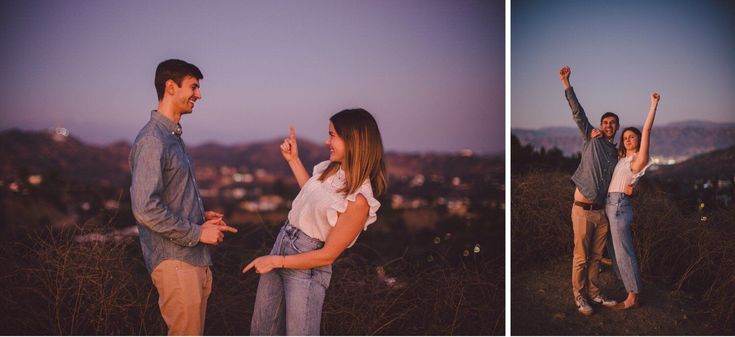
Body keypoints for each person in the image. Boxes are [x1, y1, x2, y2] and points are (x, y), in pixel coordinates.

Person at [243, 108, 387, 335]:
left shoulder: (359, 199)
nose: (327, 141)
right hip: (283, 244)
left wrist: (275, 261)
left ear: (354, 141)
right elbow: (314, 199)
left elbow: (327, 255)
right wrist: (293, 160)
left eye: (333, 135)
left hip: (307, 266)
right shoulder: (332, 170)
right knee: (262, 331)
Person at [129, 59, 238, 335]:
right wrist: (198, 232)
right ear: (170, 87)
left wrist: (201, 218)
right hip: (176, 263)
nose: (198, 95)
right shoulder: (153, 140)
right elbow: (144, 208)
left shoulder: (173, 138)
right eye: (193, 87)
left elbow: (168, 199)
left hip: (193, 260)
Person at [559, 65, 619, 316]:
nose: (607, 125)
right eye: (605, 122)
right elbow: (578, 113)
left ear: (616, 127)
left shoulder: (616, 153)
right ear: (600, 125)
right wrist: (566, 83)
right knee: (581, 258)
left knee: (596, 258)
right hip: (583, 210)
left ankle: (594, 294)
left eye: (612, 123)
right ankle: (579, 297)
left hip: (601, 213)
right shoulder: (590, 136)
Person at [591, 92, 660, 310]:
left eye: (633, 136)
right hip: (610, 205)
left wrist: (653, 106)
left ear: (639, 140)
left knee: (624, 252)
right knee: (613, 250)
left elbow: (648, 129)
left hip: (619, 207)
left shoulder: (639, 159)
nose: (628, 138)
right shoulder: (623, 159)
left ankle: (632, 297)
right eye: (626, 137)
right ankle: (628, 286)